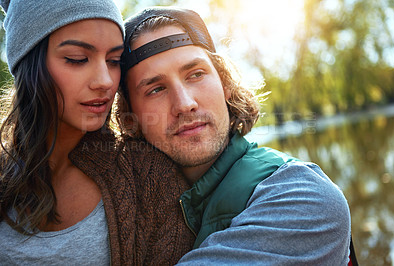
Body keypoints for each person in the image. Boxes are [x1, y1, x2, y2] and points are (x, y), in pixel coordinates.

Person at [119, 6, 353, 265]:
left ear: (225, 84)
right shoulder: (126, 207)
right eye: (156, 89)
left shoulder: (305, 198)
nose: (184, 104)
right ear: (130, 117)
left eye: (195, 75)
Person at [0, 1, 194, 265]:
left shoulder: (149, 178)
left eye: (114, 61)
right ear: (29, 63)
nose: (104, 80)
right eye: (77, 59)